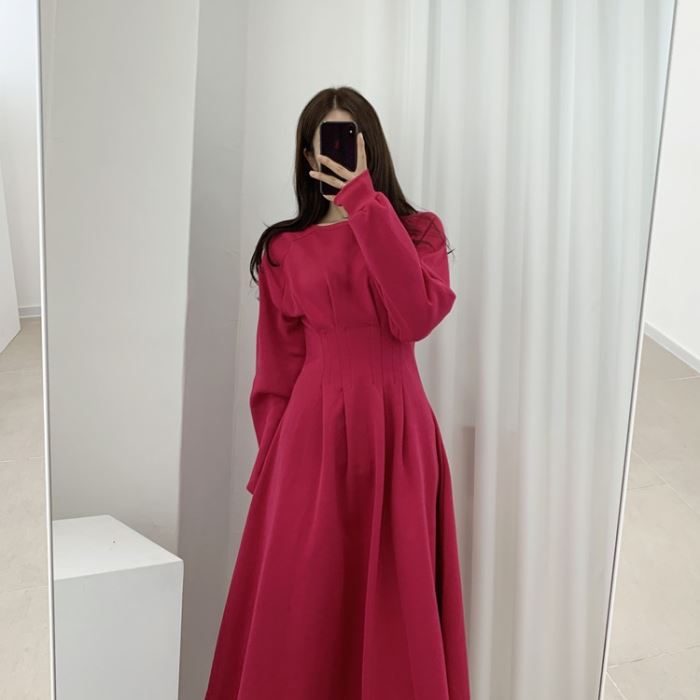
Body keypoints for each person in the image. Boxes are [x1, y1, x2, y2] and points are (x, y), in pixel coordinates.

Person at [205, 86, 471, 700]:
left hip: (398, 433)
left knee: (396, 600)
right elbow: (277, 371)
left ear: (369, 147)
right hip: (310, 442)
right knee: (307, 602)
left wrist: (364, 205)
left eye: (349, 137)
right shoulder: (284, 248)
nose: (335, 151)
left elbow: (415, 317)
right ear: (306, 155)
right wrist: (272, 468)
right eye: (323, 141)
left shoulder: (419, 232)